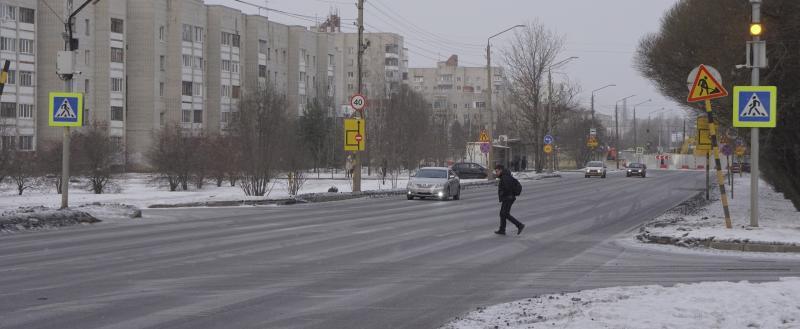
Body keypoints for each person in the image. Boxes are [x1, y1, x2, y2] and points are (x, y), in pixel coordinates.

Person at [494, 164, 525, 235]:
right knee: (502, 214)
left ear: (501, 170)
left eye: (497, 171)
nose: (496, 173)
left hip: (508, 198)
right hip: (508, 197)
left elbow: (507, 188)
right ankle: (502, 229)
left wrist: (502, 193)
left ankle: (519, 225)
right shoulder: (505, 176)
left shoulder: (505, 177)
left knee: (505, 214)